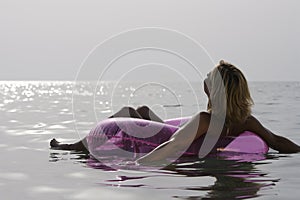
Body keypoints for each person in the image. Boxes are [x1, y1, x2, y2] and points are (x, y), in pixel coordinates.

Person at [50, 60, 300, 163]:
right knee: (144, 111)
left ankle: (73, 148)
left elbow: (173, 145)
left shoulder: (205, 119)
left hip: (167, 142)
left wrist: (139, 164)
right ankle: (74, 146)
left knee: (128, 111)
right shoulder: (246, 121)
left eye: (208, 78)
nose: (204, 79)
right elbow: (276, 141)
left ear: (212, 90)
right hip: (188, 138)